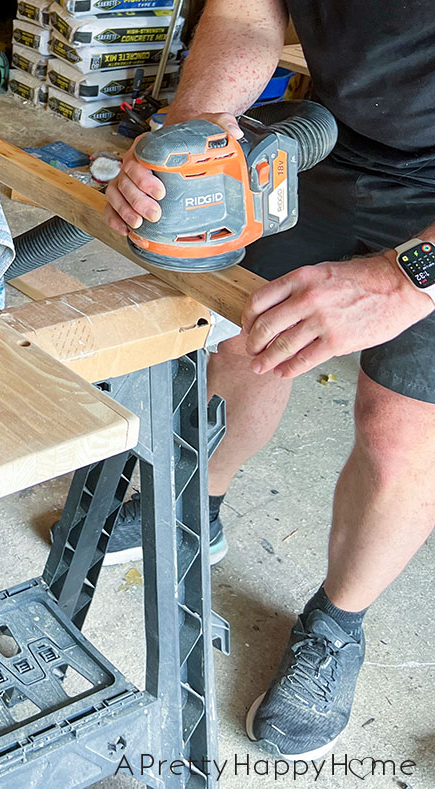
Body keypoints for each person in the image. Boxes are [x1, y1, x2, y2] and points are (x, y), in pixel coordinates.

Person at [101, 0, 435, 762]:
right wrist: (193, 139)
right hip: (338, 134)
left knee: (401, 427)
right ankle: (199, 505)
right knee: (252, 338)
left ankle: (336, 624)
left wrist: (407, 278)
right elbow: (250, 17)